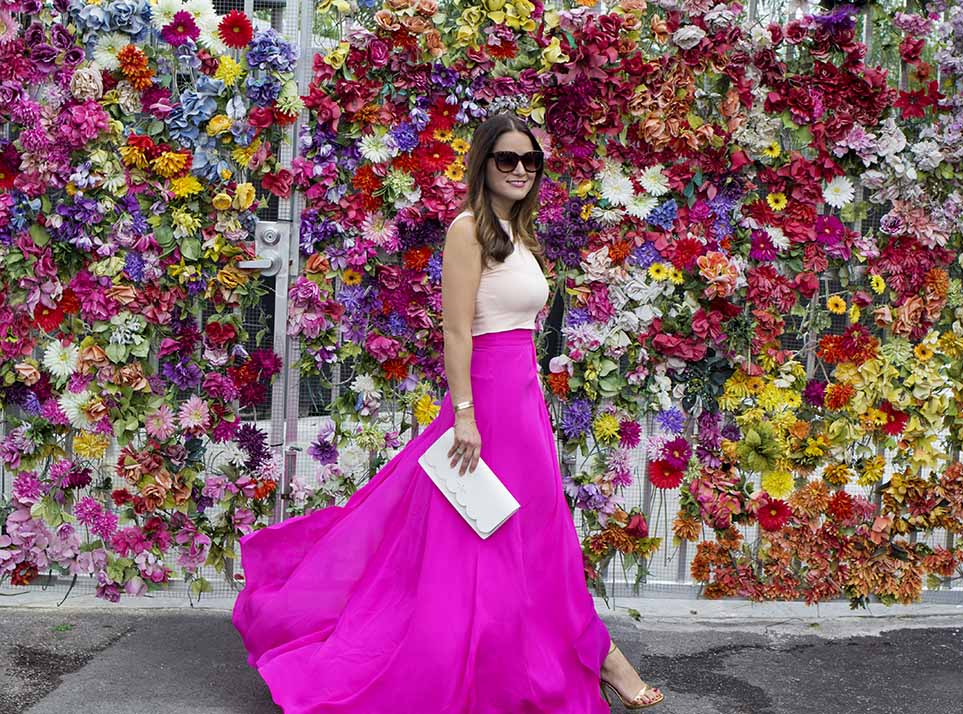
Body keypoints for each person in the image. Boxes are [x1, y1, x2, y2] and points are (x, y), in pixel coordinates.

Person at [231, 111, 664, 712]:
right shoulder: (468, 230)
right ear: (483, 165)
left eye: (529, 161)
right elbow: (456, 332)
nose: (519, 170)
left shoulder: (519, 234)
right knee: (491, 535)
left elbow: (521, 327)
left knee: (532, 538)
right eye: (506, 159)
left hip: (522, 398)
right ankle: (603, 660)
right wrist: (465, 413)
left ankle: (552, 657)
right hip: (485, 400)